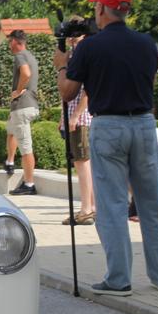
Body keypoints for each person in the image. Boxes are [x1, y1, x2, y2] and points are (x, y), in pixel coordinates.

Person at [55, 0, 158, 296]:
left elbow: (69, 92)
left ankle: (119, 279)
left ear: (102, 11)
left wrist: (63, 62)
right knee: (150, 204)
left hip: (108, 125)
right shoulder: (147, 44)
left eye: (96, 7)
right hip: (145, 124)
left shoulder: (90, 47)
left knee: (111, 205)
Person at [59, 33, 95, 225]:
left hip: (81, 119)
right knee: (82, 163)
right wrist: (62, 117)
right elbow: (66, 94)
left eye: (76, 35)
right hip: (76, 117)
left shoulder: (83, 56)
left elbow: (86, 92)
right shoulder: (75, 56)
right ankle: (91, 207)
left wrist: (74, 116)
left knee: (83, 163)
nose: (72, 39)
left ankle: (86, 208)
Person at [4, 30, 39, 195]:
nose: (9, 45)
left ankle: (29, 184)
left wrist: (18, 91)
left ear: (17, 42)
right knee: (11, 130)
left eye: (10, 42)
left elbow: (26, 74)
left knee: (26, 148)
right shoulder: (30, 55)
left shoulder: (20, 56)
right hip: (26, 106)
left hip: (22, 107)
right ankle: (10, 161)